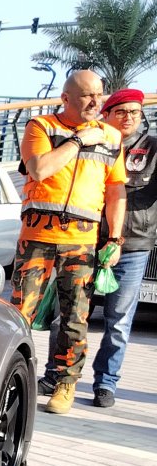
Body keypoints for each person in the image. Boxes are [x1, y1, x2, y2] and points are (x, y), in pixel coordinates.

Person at [12, 69, 126, 414]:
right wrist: (78, 142)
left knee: (76, 316)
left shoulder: (111, 137)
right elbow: (39, 169)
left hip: (82, 241)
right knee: (20, 314)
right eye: (87, 95)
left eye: (99, 95)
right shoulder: (42, 127)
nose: (96, 102)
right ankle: (11, 374)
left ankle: (66, 384)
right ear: (66, 98)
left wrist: (116, 238)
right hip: (37, 239)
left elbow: (116, 191)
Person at [39, 88, 153, 408]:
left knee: (118, 320)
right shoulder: (90, 140)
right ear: (106, 114)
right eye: (121, 111)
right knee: (67, 313)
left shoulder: (153, 150)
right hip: (83, 239)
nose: (128, 117)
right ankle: (56, 374)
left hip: (132, 247)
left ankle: (106, 382)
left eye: (134, 112)